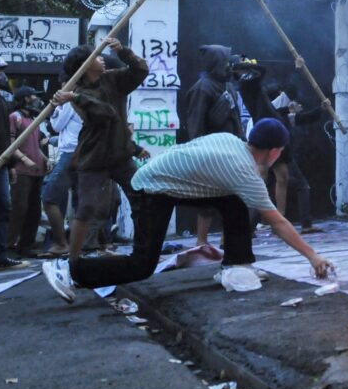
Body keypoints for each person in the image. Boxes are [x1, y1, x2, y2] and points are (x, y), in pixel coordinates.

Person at [42, 118, 333, 303]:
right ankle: (70, 270)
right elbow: (278, 222)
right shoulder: (242, 171)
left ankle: (237, 264)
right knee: (142, 265)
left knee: (233, 201)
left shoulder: (231, 141)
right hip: (152, 189)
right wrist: (313, 256)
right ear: (275, 151)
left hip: (169, 181)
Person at [52, 38, 148, 261]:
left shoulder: (113, 79)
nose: (102, 59)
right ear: (84, 66)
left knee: (143, 200)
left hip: (121, 155)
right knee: (86, 208)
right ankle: (74, 260)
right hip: (94, 158)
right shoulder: (78, 93)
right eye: (96, 56)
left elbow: (141, 71)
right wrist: (75, 97)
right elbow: (106, 113)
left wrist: (123, 51)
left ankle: (144, 251)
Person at [237, 64, 320, 230]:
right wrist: (243, 64)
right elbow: (262, 70)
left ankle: (267, 223)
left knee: (279, 179)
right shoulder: (248, 85)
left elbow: (275, 110)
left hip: (267, 133)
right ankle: (256, 224)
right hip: (271, 134)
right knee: (273, 181)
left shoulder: (258, 95)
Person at [184, 44, 243, 247]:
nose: (229, 65)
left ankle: (228, 241)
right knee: (208, 200)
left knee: (233, 197)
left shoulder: (228, 86)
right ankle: (202, 243)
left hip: (231, 150)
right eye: (225, 61)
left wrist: (241, 143)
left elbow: (235, 118)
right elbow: (195, 123)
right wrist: (199, 152)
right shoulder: (202, 88)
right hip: (210, 152)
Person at [0, 54, 23, 271]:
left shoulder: (1, 101)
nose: (2, 75)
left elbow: (3, 138)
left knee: (2, 207)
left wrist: (10, 166)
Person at [39, 91, 82, 256]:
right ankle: (80, 245)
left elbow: (56, 125)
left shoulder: (70, 103)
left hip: (71, 153)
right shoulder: (86, 99)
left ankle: (61, 243)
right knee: (79, 201)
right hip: (82, 153)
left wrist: (56, 107)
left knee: (49, 197)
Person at [7, 86, 48, 256]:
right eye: (33, 96)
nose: (36, 99)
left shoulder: (33, 119)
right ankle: (8, 246)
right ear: (25, 98)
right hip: (22, 171)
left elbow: (36, 146)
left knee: (34, 211)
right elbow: (10, 145)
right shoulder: (14, 117)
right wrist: (24, 160)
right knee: (19, 209)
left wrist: (45, 159)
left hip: (37, 171)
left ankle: (25, 246)